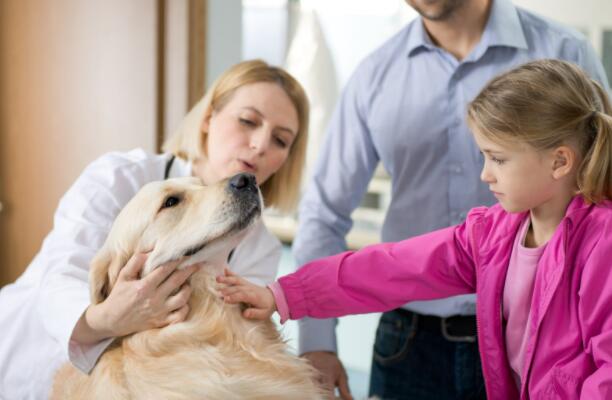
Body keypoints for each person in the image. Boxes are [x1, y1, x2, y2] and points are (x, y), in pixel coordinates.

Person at [219, 59, 612, 399]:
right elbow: (394, 268)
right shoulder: (492, 235)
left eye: (498, 159)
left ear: (560, 161)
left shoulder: (603, 242)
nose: (485, 174)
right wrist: (285, 294)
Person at [0, 59, 309, 400]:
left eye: (281, 140)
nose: (260, 144)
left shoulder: (260, 246)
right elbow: (59, 280)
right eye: (248, 121)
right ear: (208, 118)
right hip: (25, 362)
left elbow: (230, 339)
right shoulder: (119, 177)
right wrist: (110, 319)